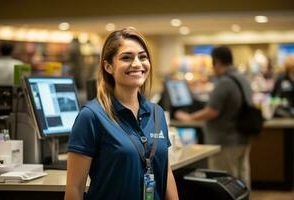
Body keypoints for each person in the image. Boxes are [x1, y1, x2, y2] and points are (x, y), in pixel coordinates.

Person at [65, 27, 178, 200]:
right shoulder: (91, 116)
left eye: (143, 57)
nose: (137, 64)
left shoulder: (157, 113)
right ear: (108, 66)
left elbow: (166, 172)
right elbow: (75, 188)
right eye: (126, 57)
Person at [175, 46, 253, 187]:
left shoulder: (224, 82)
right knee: (242, 178)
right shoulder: (243, 78)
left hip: (225, 140)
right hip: (244, 136)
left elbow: (212, 111)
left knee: (226, 182)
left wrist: (189, 117)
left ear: (216, 61)